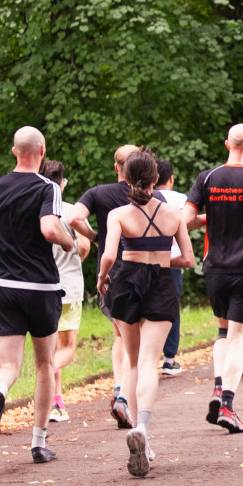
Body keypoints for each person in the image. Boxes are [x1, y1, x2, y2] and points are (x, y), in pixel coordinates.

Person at [0, 127, 76, 462]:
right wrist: (70, 242)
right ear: (41, 150)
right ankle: (38, 443)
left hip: (4, 287)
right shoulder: (48, 187)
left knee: (9, 365)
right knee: (45, 364)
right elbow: (48, 228)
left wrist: (4, 236)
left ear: (15, 151)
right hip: (41, 287)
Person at [96, 150, 196, 477]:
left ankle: (140, 432)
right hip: (160, 285)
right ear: (156, 179)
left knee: (134, 361)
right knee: (151, 361)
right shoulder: (173, 214)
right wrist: (164, 260)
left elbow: (110, 255)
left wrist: (102, 277)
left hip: (126, 284)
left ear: (125, 177)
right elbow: (188, 260)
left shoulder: (118, 214)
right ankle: (142, 429)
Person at [185, 124, 243, 433]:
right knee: (240, 338)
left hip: (215, 268)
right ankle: (226, 403)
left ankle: (216, 387)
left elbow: (186, 220)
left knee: (223, 333)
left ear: (227, 144)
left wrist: (212, 215)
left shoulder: (207, 178)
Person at [66, 143, 138, 427]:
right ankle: (126, 396)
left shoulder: (98, 193)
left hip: (110, 271)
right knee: (136, 339)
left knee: (121, 334)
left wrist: (95, 236)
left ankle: (121, 390)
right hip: (142, 269)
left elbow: (74, 217)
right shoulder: (147, 195)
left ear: (115, 166)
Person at [40, 161, 92, 424]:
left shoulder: (36, 210)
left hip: (42, 285)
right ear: (62, 184)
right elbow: (84, 246)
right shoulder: (71, 211)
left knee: (50, 347)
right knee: (67, 348)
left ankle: (55, 404)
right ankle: (45, 376)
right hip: (69, 286)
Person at [154, 160, 189, 377]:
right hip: (173, 259)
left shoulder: (143, 196)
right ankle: (169, 359)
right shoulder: (180, 199)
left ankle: (148, 356)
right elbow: (184, 224)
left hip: (147, 259)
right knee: (171, 307)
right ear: (172, 178)